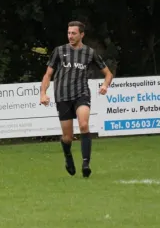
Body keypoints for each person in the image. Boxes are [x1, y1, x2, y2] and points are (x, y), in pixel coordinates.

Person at [40, 21, 113, 178]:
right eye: (68, 33)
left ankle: (86, 163)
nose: (70, 36)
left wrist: (105, 85)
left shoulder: (89, 53)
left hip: (82, 93)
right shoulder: (59, 51)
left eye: (73, 33)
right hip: (63, 96)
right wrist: (43, 94)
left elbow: (108, 74)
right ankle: (68, 157)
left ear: (82, 35)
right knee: (67, 137)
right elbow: (48, 75)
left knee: (84, 124)